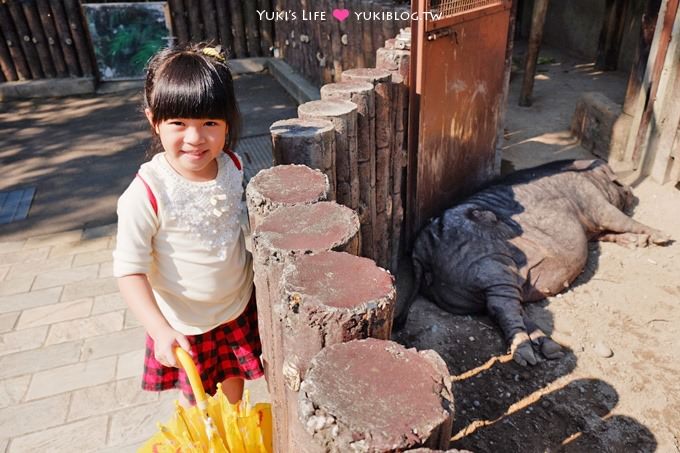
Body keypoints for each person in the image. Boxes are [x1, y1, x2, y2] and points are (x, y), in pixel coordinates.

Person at [113, 43, 263, 406]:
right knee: (197, 402)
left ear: (228, 121)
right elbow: (128, 271)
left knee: (234, 382)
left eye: (210, 123)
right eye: (178, 123)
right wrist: (159, 329)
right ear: (154, 121)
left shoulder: (232, 165)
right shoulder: (147, 192)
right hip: (184, 323)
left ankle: (235, 428)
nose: (195, 138)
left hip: (237, 304)